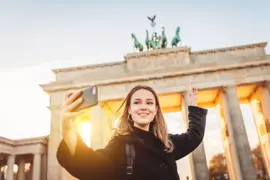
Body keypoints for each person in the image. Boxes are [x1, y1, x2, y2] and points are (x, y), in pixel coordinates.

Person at [57, 84, 207, 180]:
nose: (143, 107)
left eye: (149, 103)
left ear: (155, 111)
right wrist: (68, 127)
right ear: (129, 110)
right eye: (137, 102)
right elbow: (90, 164)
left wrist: (192, 105)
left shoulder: (166, 144)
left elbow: (194, 136)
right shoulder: (120, 145)